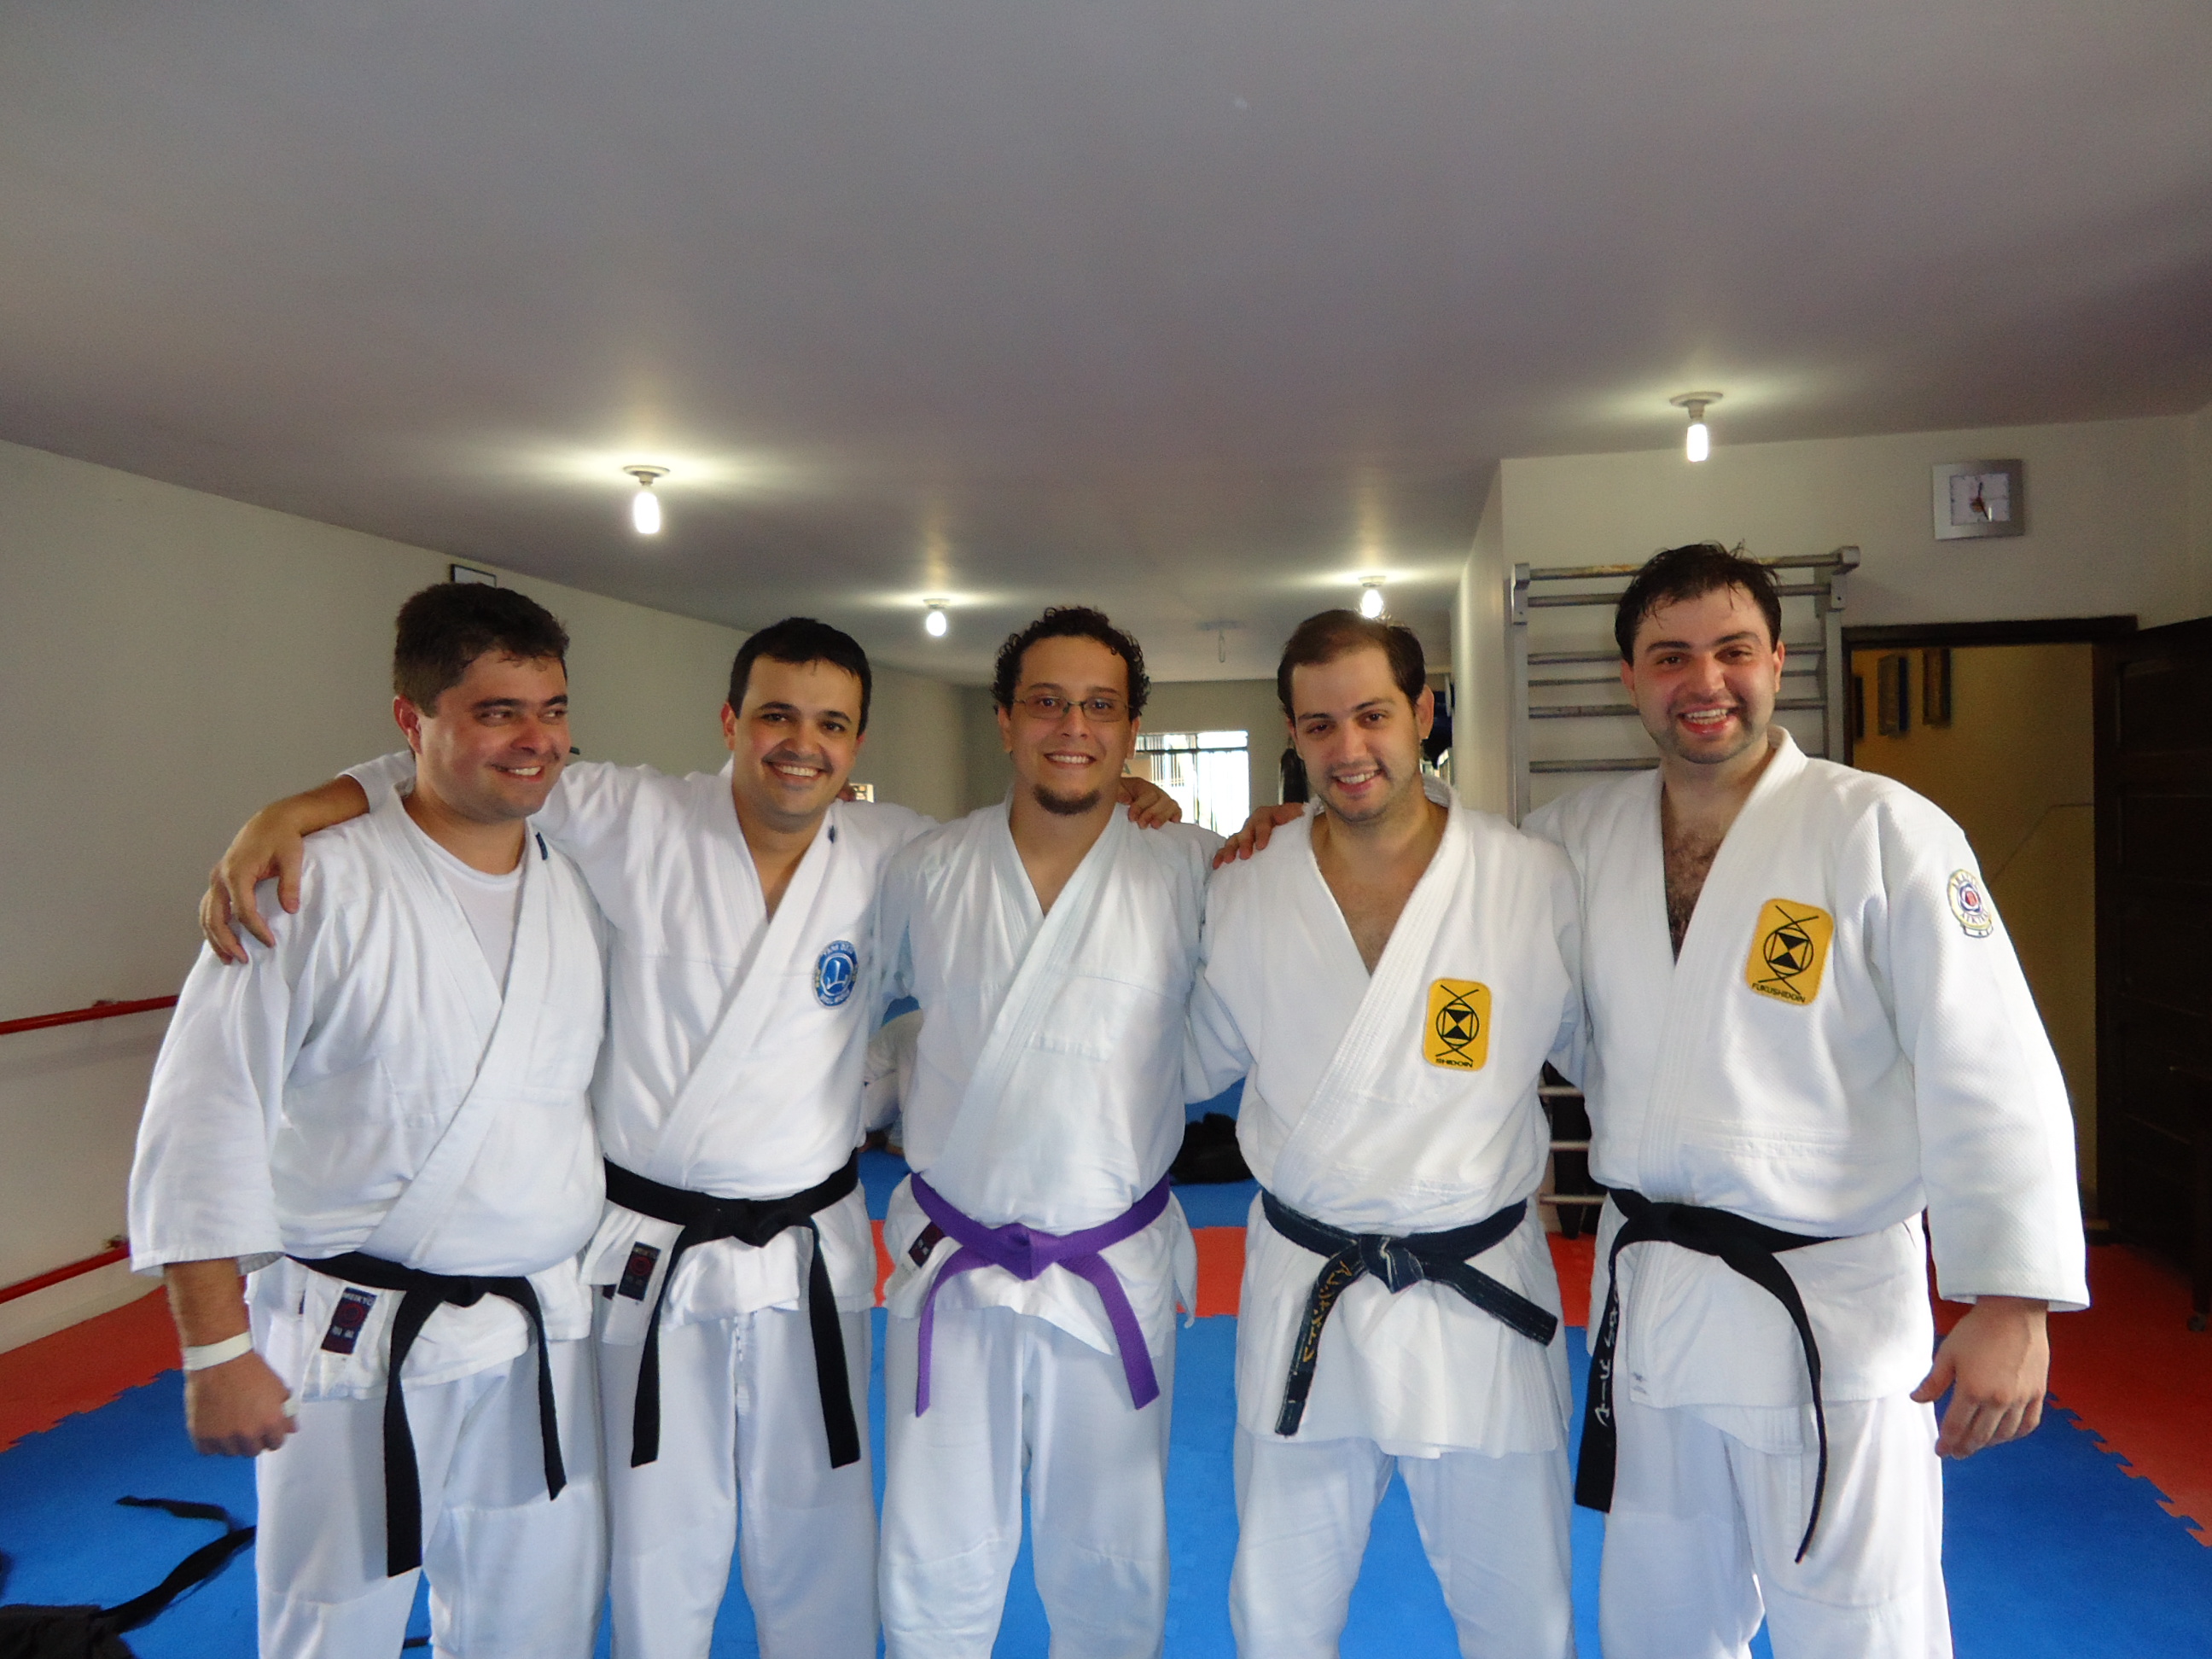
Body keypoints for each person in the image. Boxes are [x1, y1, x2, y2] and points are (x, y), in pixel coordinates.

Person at [200, 617, 1185, 1659]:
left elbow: (1033, 839)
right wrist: (298, 807)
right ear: (730, 721)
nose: (800, 745)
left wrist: (1118, 792)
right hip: (650, 1257)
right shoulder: (634, 815)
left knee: (821, 1538)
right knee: (655, 1547)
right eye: (775, 717)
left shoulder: (895, 850)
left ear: (857, 744)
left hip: (808, 1258)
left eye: (831, 725)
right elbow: (475, 767)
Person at [1523, 543, 2087, 1658]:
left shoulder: (1882, 830)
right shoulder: (1572, 841)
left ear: (1778, 660)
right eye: (1670, 657)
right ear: (1630, 677)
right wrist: (1296, 835)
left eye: (1733, 650)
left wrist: (2014, 1298)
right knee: (1658, 1628)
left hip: (1829, 1311)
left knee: (1861, 1628)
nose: (1705, 682)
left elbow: (1989, 1060)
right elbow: (1452, 914)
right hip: (1657, 1307)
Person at [128, 583, 609, 1659]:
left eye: (553, 710)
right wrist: (215, 1348)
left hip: (536, 1327)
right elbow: (204, 1112)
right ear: (411, 721)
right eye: (496, 713)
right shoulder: (307, 885)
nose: (537, 741)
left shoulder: (575, 883)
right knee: (331, 1628)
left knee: (537, 1623)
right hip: (353, 1340)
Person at [1187, 610, 1583, 1659]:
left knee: (1523, 1620)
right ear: (1292, 733)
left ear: (1423, 711)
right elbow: (1185, 1059)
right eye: (1320, 725)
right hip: (1307, 1290)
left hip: (1478, 1294)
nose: (1349, 748)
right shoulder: (1245, 885)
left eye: (1373, 715)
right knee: (1278, 1618)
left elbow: (1620, 1054)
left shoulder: (1529, 878)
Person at [871, 607, 1219, 1659]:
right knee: (933, 1553)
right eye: (1048, 703)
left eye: (1099, 706)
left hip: (1111, 1265)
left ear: (1132, 728)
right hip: (953, 1267)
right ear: (1005, 719)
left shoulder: (1194, 869)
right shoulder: (926, 869)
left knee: (1112, 1556)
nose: (1074, 727)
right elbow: (849, 1021)